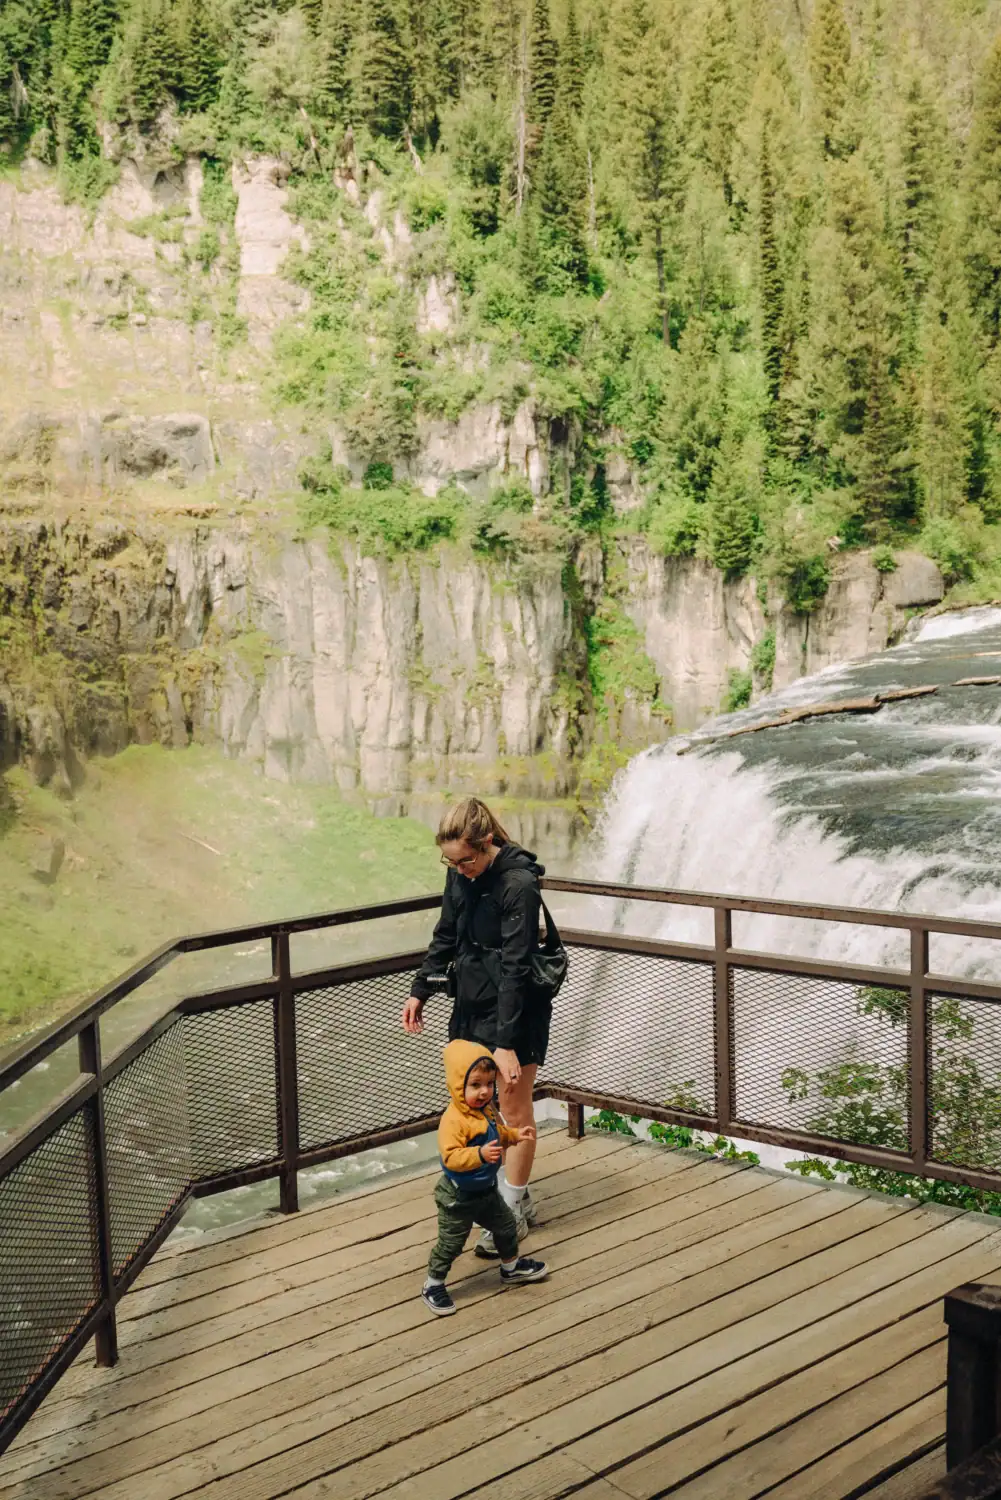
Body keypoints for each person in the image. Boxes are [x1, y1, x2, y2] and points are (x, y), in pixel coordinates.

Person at [402, 796, 551, 1257]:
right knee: (475, 1103)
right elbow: (447, 931)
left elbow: (516, 966)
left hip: (517, 1008)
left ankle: (508, 1214)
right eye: (450, 862)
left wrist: (506, 1044)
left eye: (466, 860)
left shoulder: (518, 884)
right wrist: (420, 987)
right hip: (470, 1001)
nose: (459, 870)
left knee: (514, 1109)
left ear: (487, 843)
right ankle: (506, 1195)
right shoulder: (460, 871)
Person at [422, 1040, 548, 1317]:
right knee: (451, 1243)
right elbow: (450, 1157)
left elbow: (498, 1134)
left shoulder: (487, 1110)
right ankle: (433, 1284)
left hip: (487, 1191)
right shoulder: (454, 1120)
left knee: (506, 1227)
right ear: (458, 1086)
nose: (484, 1092)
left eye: (489, 1084)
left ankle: (510, 1268)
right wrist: (478, 1155)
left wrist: (515, 1136)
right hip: (458, 1196)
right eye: (475, 1085)